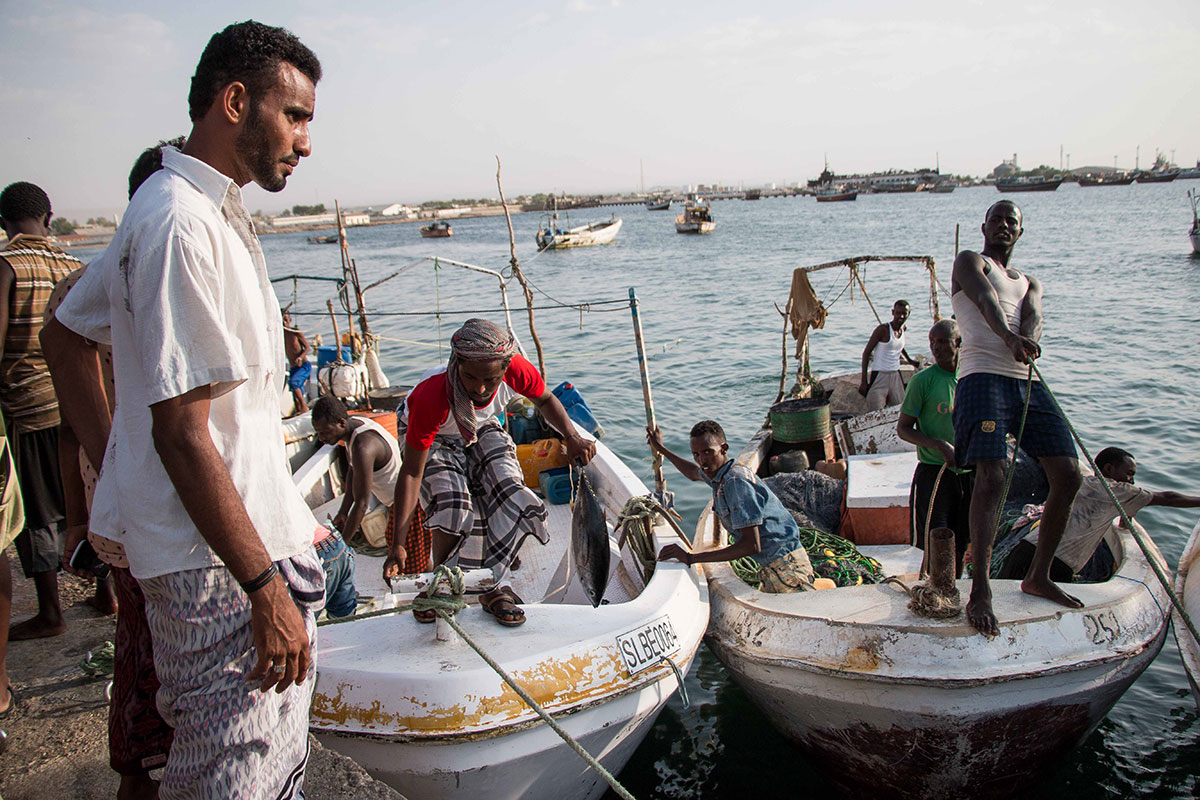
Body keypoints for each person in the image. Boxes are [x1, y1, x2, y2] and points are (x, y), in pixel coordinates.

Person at [49, 21, 324, 798]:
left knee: (253, 769)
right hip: (221, 573)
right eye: (295, 116)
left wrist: (117, 473)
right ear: (236, 102)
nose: (305, 142)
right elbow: (181, 433)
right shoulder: (176, 222)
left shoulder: (197, 207)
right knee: (229, 777)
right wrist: (265, 588)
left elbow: (64, 334)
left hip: (239, 548)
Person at [42, 138, 185, 799]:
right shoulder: (120, 272)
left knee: (145, 650)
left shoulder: (122, 269)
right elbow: (72, 370)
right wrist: (116, 459)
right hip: (147, 498)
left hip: (138, 495)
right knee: (150, 667)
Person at [385, 318, 596, 627]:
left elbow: (546, 400)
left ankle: (493, 585)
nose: (480, 388)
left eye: (491, 380)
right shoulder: (431, 396)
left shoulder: (516, 370)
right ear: (456, 363)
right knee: (455, 505)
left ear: (505, 371)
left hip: (481, 425)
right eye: (470, 377)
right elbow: (411, 474)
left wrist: (571, 436)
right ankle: (443, 583)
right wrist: (398, 545)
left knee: (512, 491)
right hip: (436, 434)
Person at [951, 200, 1082, 637]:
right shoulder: (971, 262)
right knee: (992, 476)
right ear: (984, 225)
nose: (1005, 225)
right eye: (998, 218)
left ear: (1020, 232)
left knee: (1068, 474)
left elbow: (1035, 318)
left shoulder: (1030, 283)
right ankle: (981, 589)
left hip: (1025, 381)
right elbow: (986, 301)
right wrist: (1007, 337)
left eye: (1013, 221)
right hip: (982, 377)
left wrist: (1028, 339)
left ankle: (1038, 575)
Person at [0, 181, 109, 640]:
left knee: (38, 513)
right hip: (79, 403)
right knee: (84, 498)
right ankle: (107, 594)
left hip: (27, 407)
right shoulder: (73, 266)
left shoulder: (7, 266)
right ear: (49, 218)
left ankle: (50, 611)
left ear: (4, 222)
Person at [647, 420, 816, 592]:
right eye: (696, 454)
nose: (702, 460)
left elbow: (751, 545)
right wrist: (661, 448)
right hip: (773, 568)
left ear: (724, 448)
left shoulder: (735, 483)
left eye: (707, 452)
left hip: (787, 569)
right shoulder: (721, 474)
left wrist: (691, 558)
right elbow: (692, 472)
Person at [999, 447, 1200, 582]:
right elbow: (1169, 497)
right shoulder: (1118, 491)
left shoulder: (1081, 481)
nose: (1131, 481)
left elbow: (1121, 517)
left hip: (1022, 551)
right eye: (1128, 473)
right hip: (1054, 564)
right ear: (1109, 469)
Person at [311, 395, 407, 619]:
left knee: (407, 564)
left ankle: (417, 608)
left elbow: (362, 503)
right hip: (391, 502)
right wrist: (343, 512)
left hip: (406, 506)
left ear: (341, 423)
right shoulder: (354, 429)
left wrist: (341, 547)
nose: (321, 438)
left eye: (325, 432)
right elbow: (353, 471)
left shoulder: (364, 445)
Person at [897, 319, 972, 576]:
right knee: (936, 541)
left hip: (968, 475)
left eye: (942, 342)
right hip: (933, 474)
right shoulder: (923, 381)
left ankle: (954, 588)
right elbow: (903, 428)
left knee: (962, 542)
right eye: (932, 342)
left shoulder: (971, 379)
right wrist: (939, 445)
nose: (935, 347)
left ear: (958, 344)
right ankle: (931, 590)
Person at [859, 299, 920, 411]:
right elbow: (866, 353)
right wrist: (864, 381)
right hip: (880, 374)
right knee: (875, 410)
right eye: (898, 313)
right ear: (893, 312)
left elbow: (898, 346)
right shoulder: (883, 330)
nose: (901, 316)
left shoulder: (903, 329)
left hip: (895, 374)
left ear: (908, 314)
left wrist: (910, 360)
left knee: (899, 408)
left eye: (904, 314)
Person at [282, 309, 310, 416]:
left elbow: (307, 348)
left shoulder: (296, 332)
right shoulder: (280, 334)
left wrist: (300, 357)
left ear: (290, 320)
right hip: (294, 368)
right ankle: (300, 411)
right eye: (281, 321)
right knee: (295, 395)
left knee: (293, 383)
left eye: (285, 320)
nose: (284, 323)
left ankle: (304, 407)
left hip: (303, 366)